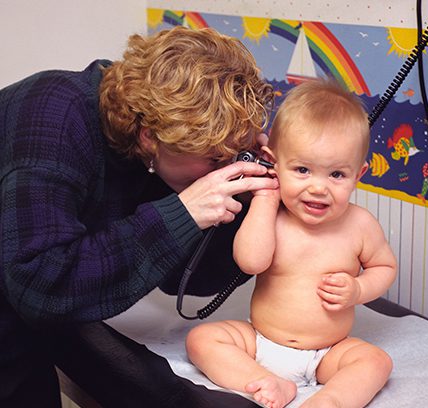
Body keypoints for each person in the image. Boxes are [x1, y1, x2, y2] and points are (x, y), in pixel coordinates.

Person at [0, 26, 278, 407]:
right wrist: (180, 215)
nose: (222, 169)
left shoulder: (161, 143)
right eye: (215, 159)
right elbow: (39, 283)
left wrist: (250, 196)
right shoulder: (54, 118)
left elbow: (191, 278)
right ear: (149, 136)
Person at [186, 79, 398, 408]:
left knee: (376, 362)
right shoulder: (271, 215)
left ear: (359, 174)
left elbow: (384, 267)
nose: (318, 188)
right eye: (302, 170)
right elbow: (250, 262)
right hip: (261, 342)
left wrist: (358, 290)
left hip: (328, 351)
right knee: (202, 339)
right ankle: (265, 381)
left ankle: (329, 401)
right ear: (273, 163)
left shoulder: (360, 225)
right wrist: (266, 200)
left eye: (337, 175)